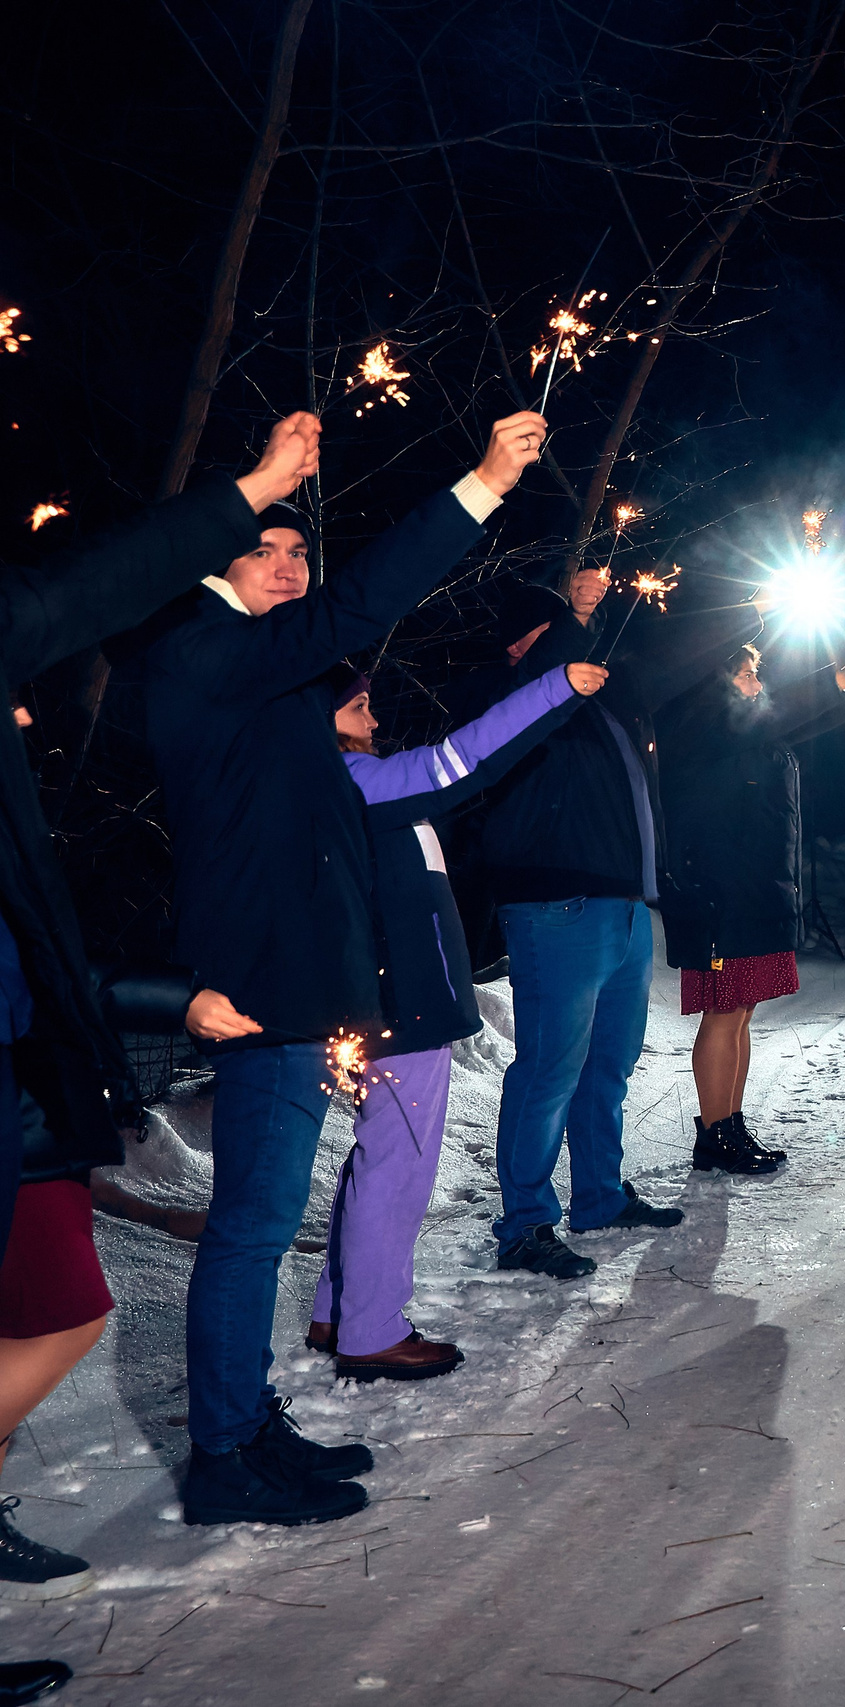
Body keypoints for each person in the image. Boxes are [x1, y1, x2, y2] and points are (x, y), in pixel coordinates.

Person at [141, 408, 547, 1527]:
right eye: (262, 549)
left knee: (265, 1225)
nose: (289, 563)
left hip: (301, 985)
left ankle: (245, 1424)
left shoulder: (272, 683)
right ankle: (224, 1455)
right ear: (210, 567)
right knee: (251, 1230)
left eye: (296, 549)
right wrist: (480, 483)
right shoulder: (201, 652)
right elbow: (360, 604)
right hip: (259, 987)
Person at [0, 417, 317, 1698]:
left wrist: (166, 1001)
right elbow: (79, 593)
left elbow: (46, 940)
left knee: (67, 1304)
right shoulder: (197, 661)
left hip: (26, 1068)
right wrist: (248, 490)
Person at [307, 660, 606, 1380]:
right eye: (359, 707)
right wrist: (555, 687)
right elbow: (461, 758)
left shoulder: (342, 784)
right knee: (397, 1166)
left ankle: (339, 1309)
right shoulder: (353, 780)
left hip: (390, 1001)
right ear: (322, 718)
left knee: (379, 1156)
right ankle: (372, 1331)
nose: (375, 719)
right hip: (399, 1006)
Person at [473, 572, 763, 1279]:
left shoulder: (605, 702)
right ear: (521, 646)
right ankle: (525, 1225)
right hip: (555, 909)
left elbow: (668, 661)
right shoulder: (506, 700)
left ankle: (599, 1196)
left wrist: (745, 613)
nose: (575, 644)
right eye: (552, 635)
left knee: (608, 1064)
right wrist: (571, 621)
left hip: (623, 909)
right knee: (549, 1070)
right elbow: (536, 688)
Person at [657, 640, 845, 1173]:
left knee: (742, 1011)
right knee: (724, 1012)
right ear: (715, 685)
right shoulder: (705, 726)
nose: (758, 685)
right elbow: (792, 708)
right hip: (719, 894)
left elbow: (811, 716)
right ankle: (713, 1136)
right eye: (746, 676)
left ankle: (731, 1125)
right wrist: (842, 678)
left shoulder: (750, 734)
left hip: (751, 891)